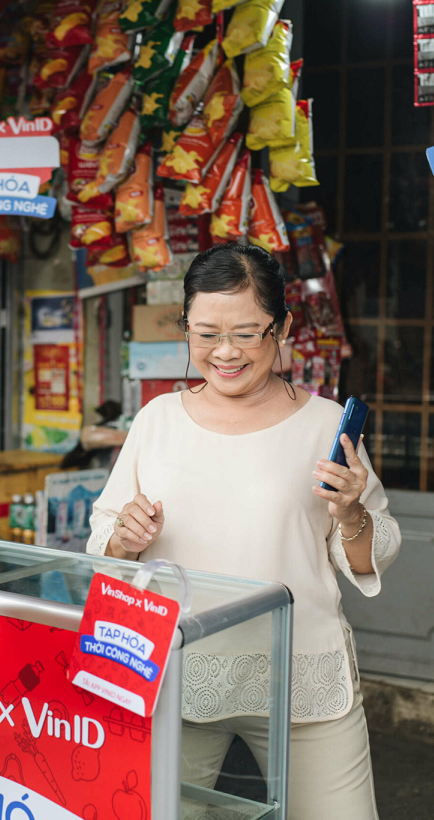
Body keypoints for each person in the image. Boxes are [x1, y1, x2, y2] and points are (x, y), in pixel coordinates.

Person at [88, 244, 401, 819]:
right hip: (179, 670)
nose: (225, 353)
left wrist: (351, 513)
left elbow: (368, 552)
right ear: (185, 326)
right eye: (205, 334)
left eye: (247, 334)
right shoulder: (157, 420)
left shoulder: (326, 425)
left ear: (281, 327)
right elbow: (105, 534)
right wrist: (123, 538)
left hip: (299, 673)